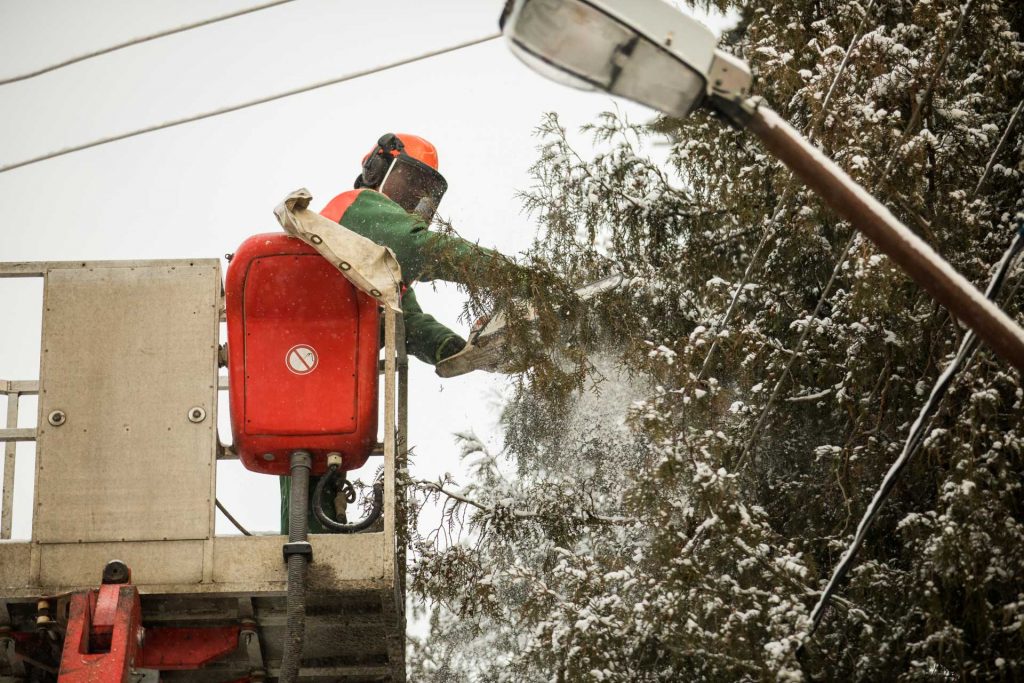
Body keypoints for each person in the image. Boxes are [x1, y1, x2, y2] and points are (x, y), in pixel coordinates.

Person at [281, 132, 527, 533]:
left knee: (315, 503)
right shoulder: (356, 207)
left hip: (321, 384)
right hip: (304, 369)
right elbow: (427, 250)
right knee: (305, 507)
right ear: (377, 170)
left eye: (425, 196)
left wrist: (465, 349)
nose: (414, 202)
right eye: (409, 185)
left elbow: (409, 323)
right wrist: (515, 278)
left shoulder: (371, 267)